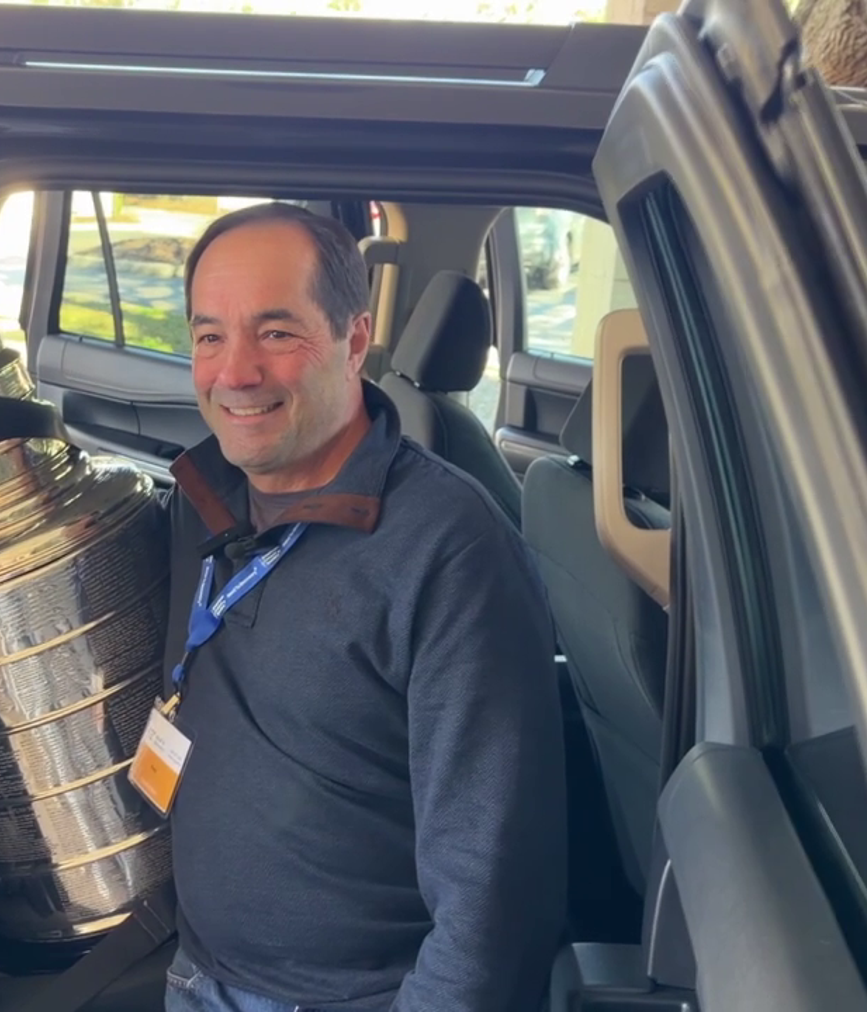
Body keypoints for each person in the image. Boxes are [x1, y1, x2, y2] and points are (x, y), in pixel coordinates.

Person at [153, 202, 567, 1012]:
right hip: (193, 974)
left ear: (353, 339)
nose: (235, 372)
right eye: (210, 336)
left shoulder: (449, 548)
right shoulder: (200, 500)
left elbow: (494, 896)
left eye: (276, 332)